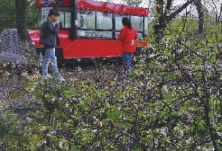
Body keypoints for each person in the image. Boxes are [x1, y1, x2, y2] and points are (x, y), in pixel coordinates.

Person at [39, 9, 65, 81]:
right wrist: (57, 24)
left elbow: (55, 32)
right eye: (56, 17)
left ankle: (44, 74)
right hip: (49, 44)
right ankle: (57, 76)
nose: (57, 19)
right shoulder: (47, 24)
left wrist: (58, 25)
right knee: (54, 60)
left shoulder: (49, 23)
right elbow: (54, 32)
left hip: (49, 44)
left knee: (46, 60)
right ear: (52, 16)